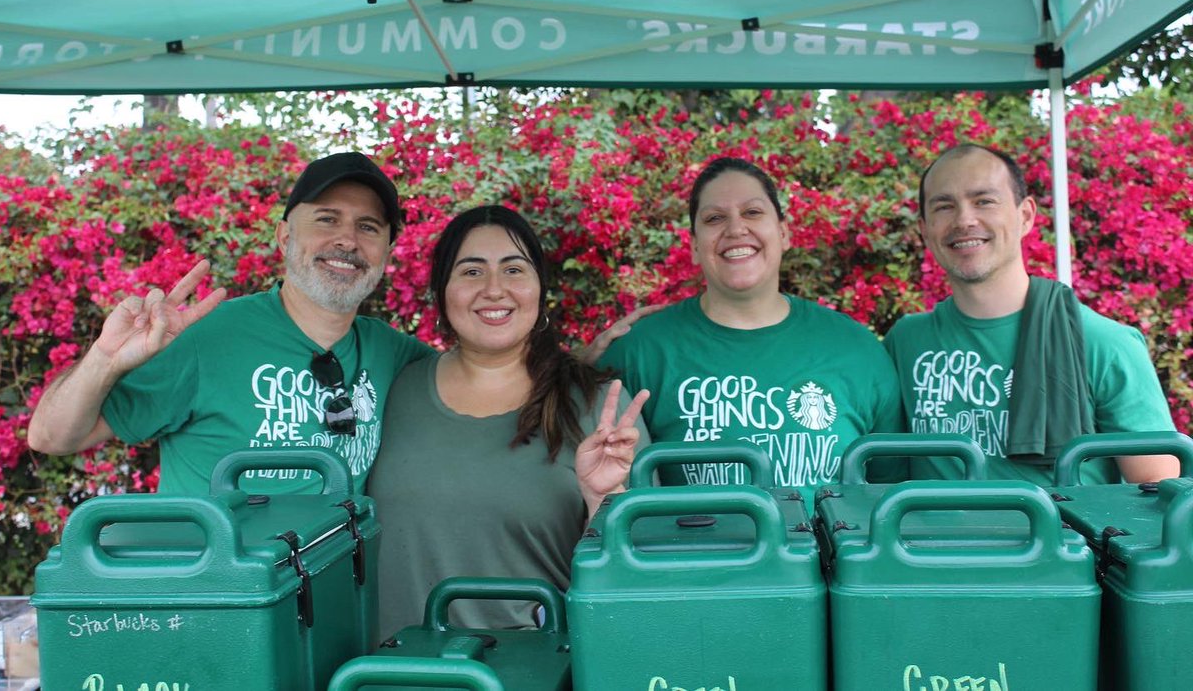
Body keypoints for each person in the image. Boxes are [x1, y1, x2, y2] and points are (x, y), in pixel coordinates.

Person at [27, 151, 434, 494]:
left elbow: (479, 377)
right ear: (284, 237)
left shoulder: (392, 352)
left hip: (333, 586)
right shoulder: (205, 337)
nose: (348, 240)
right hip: (218, 586)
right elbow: (51, 437)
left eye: (368, 227)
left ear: (385, 251)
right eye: (327, 219)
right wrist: (105, 358)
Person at [368, 205, 649, 634]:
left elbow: (641, 577)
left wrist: (604, 502)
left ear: (540, 288)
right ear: (442, 290)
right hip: (396, 675)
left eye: (514, 270)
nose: (494, 289)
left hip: (540, 675)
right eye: (472, 272)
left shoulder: (596, 404)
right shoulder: (396, 388)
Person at [597, 157, 903, 489]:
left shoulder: (857, 350)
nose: (736, 229)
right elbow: (599, 483)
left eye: (753, 212)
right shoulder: (641, 351)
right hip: (697, 541)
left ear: (784, 233)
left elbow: (886, 493)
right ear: (695, 246)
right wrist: (577, 365)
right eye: (715, 218)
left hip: (825, 542)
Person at [883, 143, 1180, 484]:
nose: (964, 219)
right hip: (926, 538)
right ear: (924, 228)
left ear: (1025, 216)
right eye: (944, 206)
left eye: (984, 201)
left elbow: (1157, 495)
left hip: (1060, 536)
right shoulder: (906, 342)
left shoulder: (1104, 343)